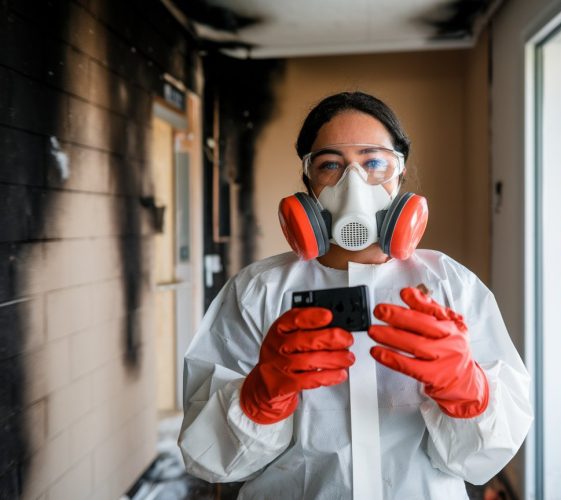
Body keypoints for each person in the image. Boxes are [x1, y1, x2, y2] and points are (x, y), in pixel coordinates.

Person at [178, 91, 533, 499]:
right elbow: (208, 459)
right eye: (331, 164)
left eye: (373, 162)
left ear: (400, 174)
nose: (354, 183)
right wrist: (258, 397)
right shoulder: (257, 291)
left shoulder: (450, 285)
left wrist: (468, 391)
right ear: (308, 181)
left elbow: (487, 455)